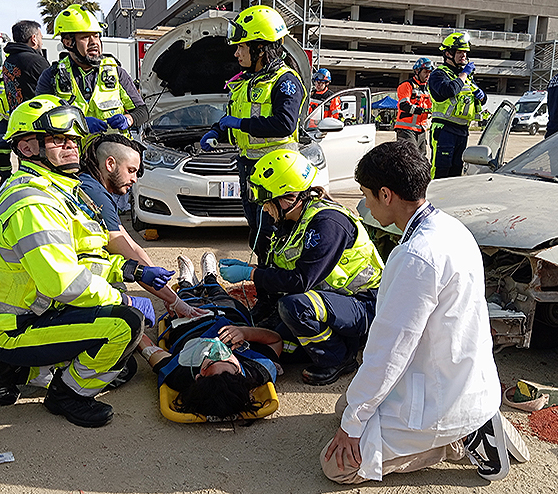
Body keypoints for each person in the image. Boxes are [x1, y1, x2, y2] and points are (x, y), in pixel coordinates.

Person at [321, 141, 506, 484]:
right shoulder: (451, 228)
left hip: (438, 399)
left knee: (336, 465)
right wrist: (355, 415)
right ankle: (470, 421)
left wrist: (354, 426)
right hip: (466, 379)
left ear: (387, 195)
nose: (365, 204)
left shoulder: (417, 257)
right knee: (344, 410)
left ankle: (455, 441)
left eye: (367, 194)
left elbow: (391, 350)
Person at [0, 95, 156, 428]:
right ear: (28, 148)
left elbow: (81, 259)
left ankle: (15, 370)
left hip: (31, 314)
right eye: (59, 139)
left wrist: (129, 269)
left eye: (73, 139)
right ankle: (66, 395)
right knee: (126, 325)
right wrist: (124, 298)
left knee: (124, 367)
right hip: (20, 327)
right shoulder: (32, 203)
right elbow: (63, 282)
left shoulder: (54, 191)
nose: (71, 147)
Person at [218, 149, 383, 386]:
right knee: (281, 345)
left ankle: (338, 358)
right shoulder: (294, 220)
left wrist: (251, 274)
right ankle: (337, 340)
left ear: (288, 197)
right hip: (333, 301)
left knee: (294, 307)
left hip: (363, 304)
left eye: (268, 202)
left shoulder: (328, 224)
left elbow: (300, 280)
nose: (264, 209)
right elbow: (286, 268)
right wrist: (253, 268)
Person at [199, 5, 306, 260]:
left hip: (278, 173)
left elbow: (284, 124)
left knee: (275, 236)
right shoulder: (244, 81)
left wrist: (238, 124)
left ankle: (274, 292)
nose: (236, 53)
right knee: (257, 234)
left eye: (241, 47)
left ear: (260, 48)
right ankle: (264, 286)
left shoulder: (285, 81)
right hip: (249, 168)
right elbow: (233, 119)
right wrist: (218, 131)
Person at [137, 252, 282, 420]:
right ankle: (210, 279)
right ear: (240, 374)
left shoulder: (180, 373)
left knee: (185, 298)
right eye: (230, 361)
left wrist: (135, 319)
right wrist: (244, 332)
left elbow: (148, 348)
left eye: (213, 360)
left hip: (191, 320)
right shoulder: (256, 370)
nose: (219, 350)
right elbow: (276, 340)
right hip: (229, 313)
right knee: (220, 295)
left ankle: (185, 282)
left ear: (199, 375)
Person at [78, 133, 206, 319]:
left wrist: (165, 290)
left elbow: (131, 244)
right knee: (128, 314)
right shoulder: (94, 195)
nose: (135, 179)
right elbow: (126, 253)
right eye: (131, 170)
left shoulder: (95, 188)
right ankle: (148, 348)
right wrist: (176, 303)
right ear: (110, 164)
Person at [36, 4, 149, 142]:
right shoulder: (52, 76)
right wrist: (79, 122)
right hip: (74, 157)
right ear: (68, 42)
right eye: (85, 37)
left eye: (96, 36)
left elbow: (142, 111)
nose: (94, 42)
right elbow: (40, 117)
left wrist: (129, 119)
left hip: (113, 153)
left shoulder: (117, 73)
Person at [0, 20, 51, 190]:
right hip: (39, 124)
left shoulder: (9, 61)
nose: (41, 41)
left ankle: (24, 190)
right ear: (33, 38)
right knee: (40, 166)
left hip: (18, 121)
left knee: (25, 163)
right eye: (40, 36)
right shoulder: (35, 61)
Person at [428, 32, 486, 178]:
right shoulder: (438, 74)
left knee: (456, 171)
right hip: (444, 130)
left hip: (462, 131)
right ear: (448, 53)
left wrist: (481, 95)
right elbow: (448, 90)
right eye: (460, 52)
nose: (464, 56)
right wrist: (464, 74)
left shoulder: (466, 77)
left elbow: (483, 100)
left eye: (465, 52)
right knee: (441, 169)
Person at [395, 57, 433, 156]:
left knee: (421, 158)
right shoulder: (406, 85)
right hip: (406, 129)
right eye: (425, 71)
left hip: (421, 129)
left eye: (429, 72)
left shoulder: (427, 89)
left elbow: (431, 107)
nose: (428, 74)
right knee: (409, 157)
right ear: (417, 71)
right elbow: (404, 105)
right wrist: (423, 110)